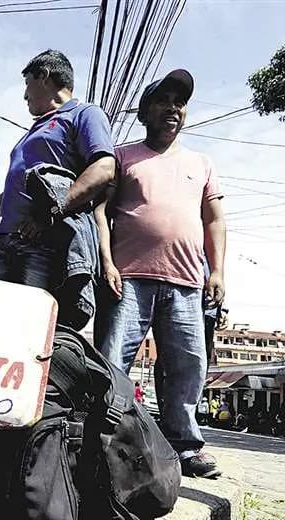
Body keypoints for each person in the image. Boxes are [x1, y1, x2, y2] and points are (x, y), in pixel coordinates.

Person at [94, 69, 227, 479]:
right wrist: (106, 261)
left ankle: (185, 447)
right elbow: (99, 211)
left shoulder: (200, 163)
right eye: (164, 101)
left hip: (187, 282)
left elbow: (215, 219)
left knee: (188, 365)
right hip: (129, 278)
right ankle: (103, 442)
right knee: (113, 361)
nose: (173, 108)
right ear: (145, 112)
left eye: (180, 103)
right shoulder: (122, 156)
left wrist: (218, 270)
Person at [0, 50, 115, 328]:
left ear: (44, 76)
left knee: (28, 332)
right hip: (2, 245)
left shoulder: (84, 114)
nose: (25, 96)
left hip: (41, 245)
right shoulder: (33, 131)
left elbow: (103, 169)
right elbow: (15, 191)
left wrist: (50, 212)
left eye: (27, 85)